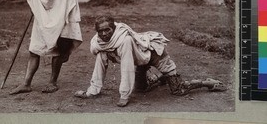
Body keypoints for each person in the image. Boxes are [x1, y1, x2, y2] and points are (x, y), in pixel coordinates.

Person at [74, 16, 226, 107]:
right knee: (140, 89)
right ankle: (159, 79)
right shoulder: (98, 42)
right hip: (140, 60)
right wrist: (91, 92)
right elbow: (100, 63)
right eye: (101, 31)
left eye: (108, 29)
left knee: (178, 90)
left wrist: (124, 96)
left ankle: (207, 82)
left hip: (154, 53)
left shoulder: (124, 38)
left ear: (114, 29)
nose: (104, 33)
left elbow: (126, 66)